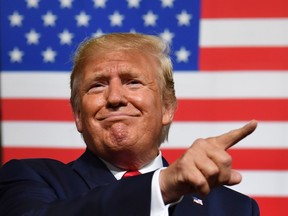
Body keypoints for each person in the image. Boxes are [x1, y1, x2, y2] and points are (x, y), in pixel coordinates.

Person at [0, 33, 259, 215]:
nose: (114, 98)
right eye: (97, 85)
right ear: (78, 114)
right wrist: (161, 187)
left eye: (133, 82)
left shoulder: (234, 209)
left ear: (167, 108)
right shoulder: (30, 180)